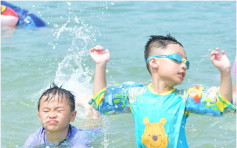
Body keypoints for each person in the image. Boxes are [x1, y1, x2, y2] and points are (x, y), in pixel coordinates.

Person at [87, 34, 236, 148]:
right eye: (177, 59)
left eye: (186, 62)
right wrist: (100, 65)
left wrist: (225, 71)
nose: (183, 65)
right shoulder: (134, 95)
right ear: (154, 62)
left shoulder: (185, 98)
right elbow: (101, 103)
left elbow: (222, 104)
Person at [23, 83, 89, 148]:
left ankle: (88, 109)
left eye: (59, 110)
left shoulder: (79, 137)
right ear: (39, 116)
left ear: (72, 116)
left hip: (90, 133)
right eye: (46, 111)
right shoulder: (34, 139)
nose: (52, 115)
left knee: (91, 126)